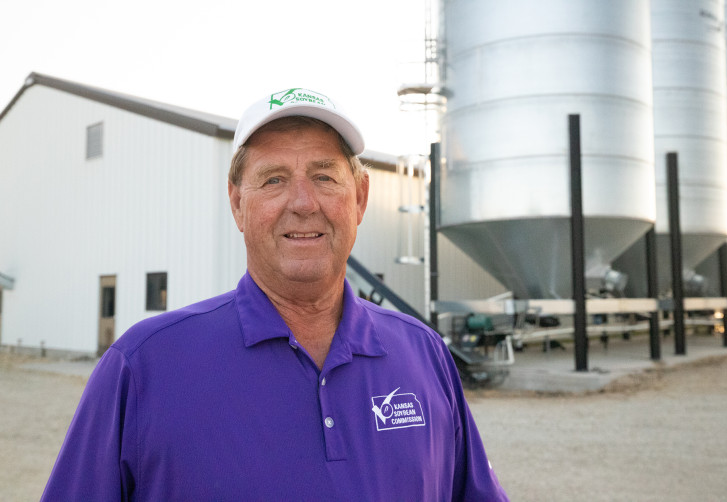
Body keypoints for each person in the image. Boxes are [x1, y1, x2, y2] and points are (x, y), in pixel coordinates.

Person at [42, 87, 509, 501]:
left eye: (325, 177)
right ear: (237, 203)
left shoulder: (423, 354)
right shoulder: (143, 367)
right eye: (273, 179)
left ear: (360, 198)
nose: (303, 203)